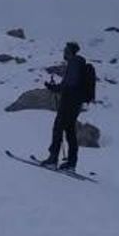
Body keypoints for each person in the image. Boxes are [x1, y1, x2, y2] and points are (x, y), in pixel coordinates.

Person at [40, 41, 88, 171]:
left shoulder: (73, 64)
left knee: (58, 129)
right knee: (70, 132)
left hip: (68, 103)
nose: (64, 53)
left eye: (65, 50)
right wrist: (55, 88)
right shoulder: (80, 65)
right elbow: (69, 85)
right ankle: (71, 163)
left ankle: (53, 159)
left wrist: (54, 88)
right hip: (76, 104)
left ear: (70, 52)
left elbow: (67, 85)